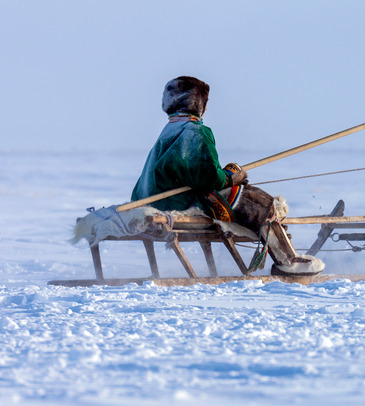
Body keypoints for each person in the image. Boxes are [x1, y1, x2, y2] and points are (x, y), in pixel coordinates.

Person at [131, 76, 324, 276]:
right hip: (178, 203)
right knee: (258, 202)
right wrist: (232, 176)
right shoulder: (195, 131)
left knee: (244, 195)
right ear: (199, 104)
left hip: (155, 199)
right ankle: (288, 262)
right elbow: (208, 179)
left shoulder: (170, 129)